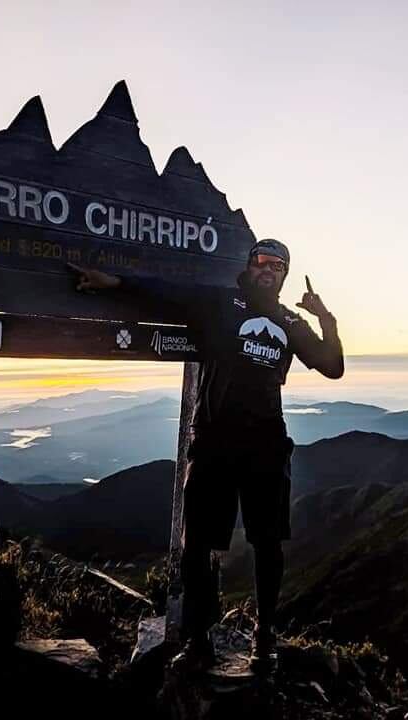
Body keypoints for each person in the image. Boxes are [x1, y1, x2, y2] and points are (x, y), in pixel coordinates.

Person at [68, 238, 344, 672]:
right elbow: (167, 292)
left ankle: (264, 637)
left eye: (278, 265)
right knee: (196, 544)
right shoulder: (221, 303)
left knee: (267, 543)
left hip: (267, 445)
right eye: (262, 261)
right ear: (249, 265)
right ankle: (198, 641)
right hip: (214, 440)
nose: (268, 269)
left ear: (284, 275)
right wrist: (115, 282)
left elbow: (332, 366)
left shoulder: (290, 322)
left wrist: (325, 318)